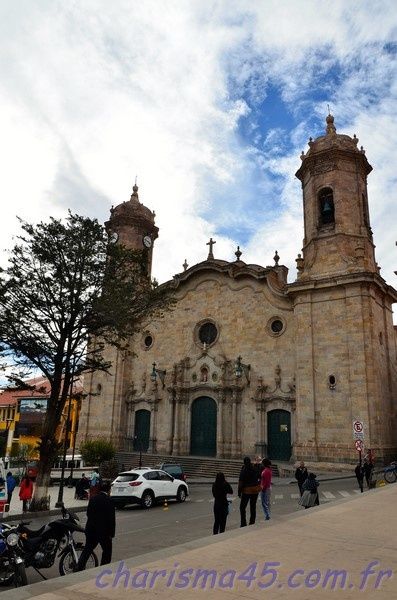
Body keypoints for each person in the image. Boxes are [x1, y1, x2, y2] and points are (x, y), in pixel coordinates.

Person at [76, 480, 116, 570]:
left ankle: (79, 568)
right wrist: (111, 534)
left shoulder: (93, 499)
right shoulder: (110, 501)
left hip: (91, 530)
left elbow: (88, 514)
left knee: (87, 550)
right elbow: (111, 519)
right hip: (104, 532)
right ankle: (103, 569)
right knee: (107, 551)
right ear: (109, 490)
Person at [238, 456, 261, 527]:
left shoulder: (244, 470)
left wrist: (239, 492)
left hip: (247, 491)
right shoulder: (254, 468)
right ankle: (252, 522)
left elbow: (241, 482)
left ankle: (243, 523)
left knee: (242, 507)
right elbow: (259, 476)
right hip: (255, 490)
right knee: (253, 506)